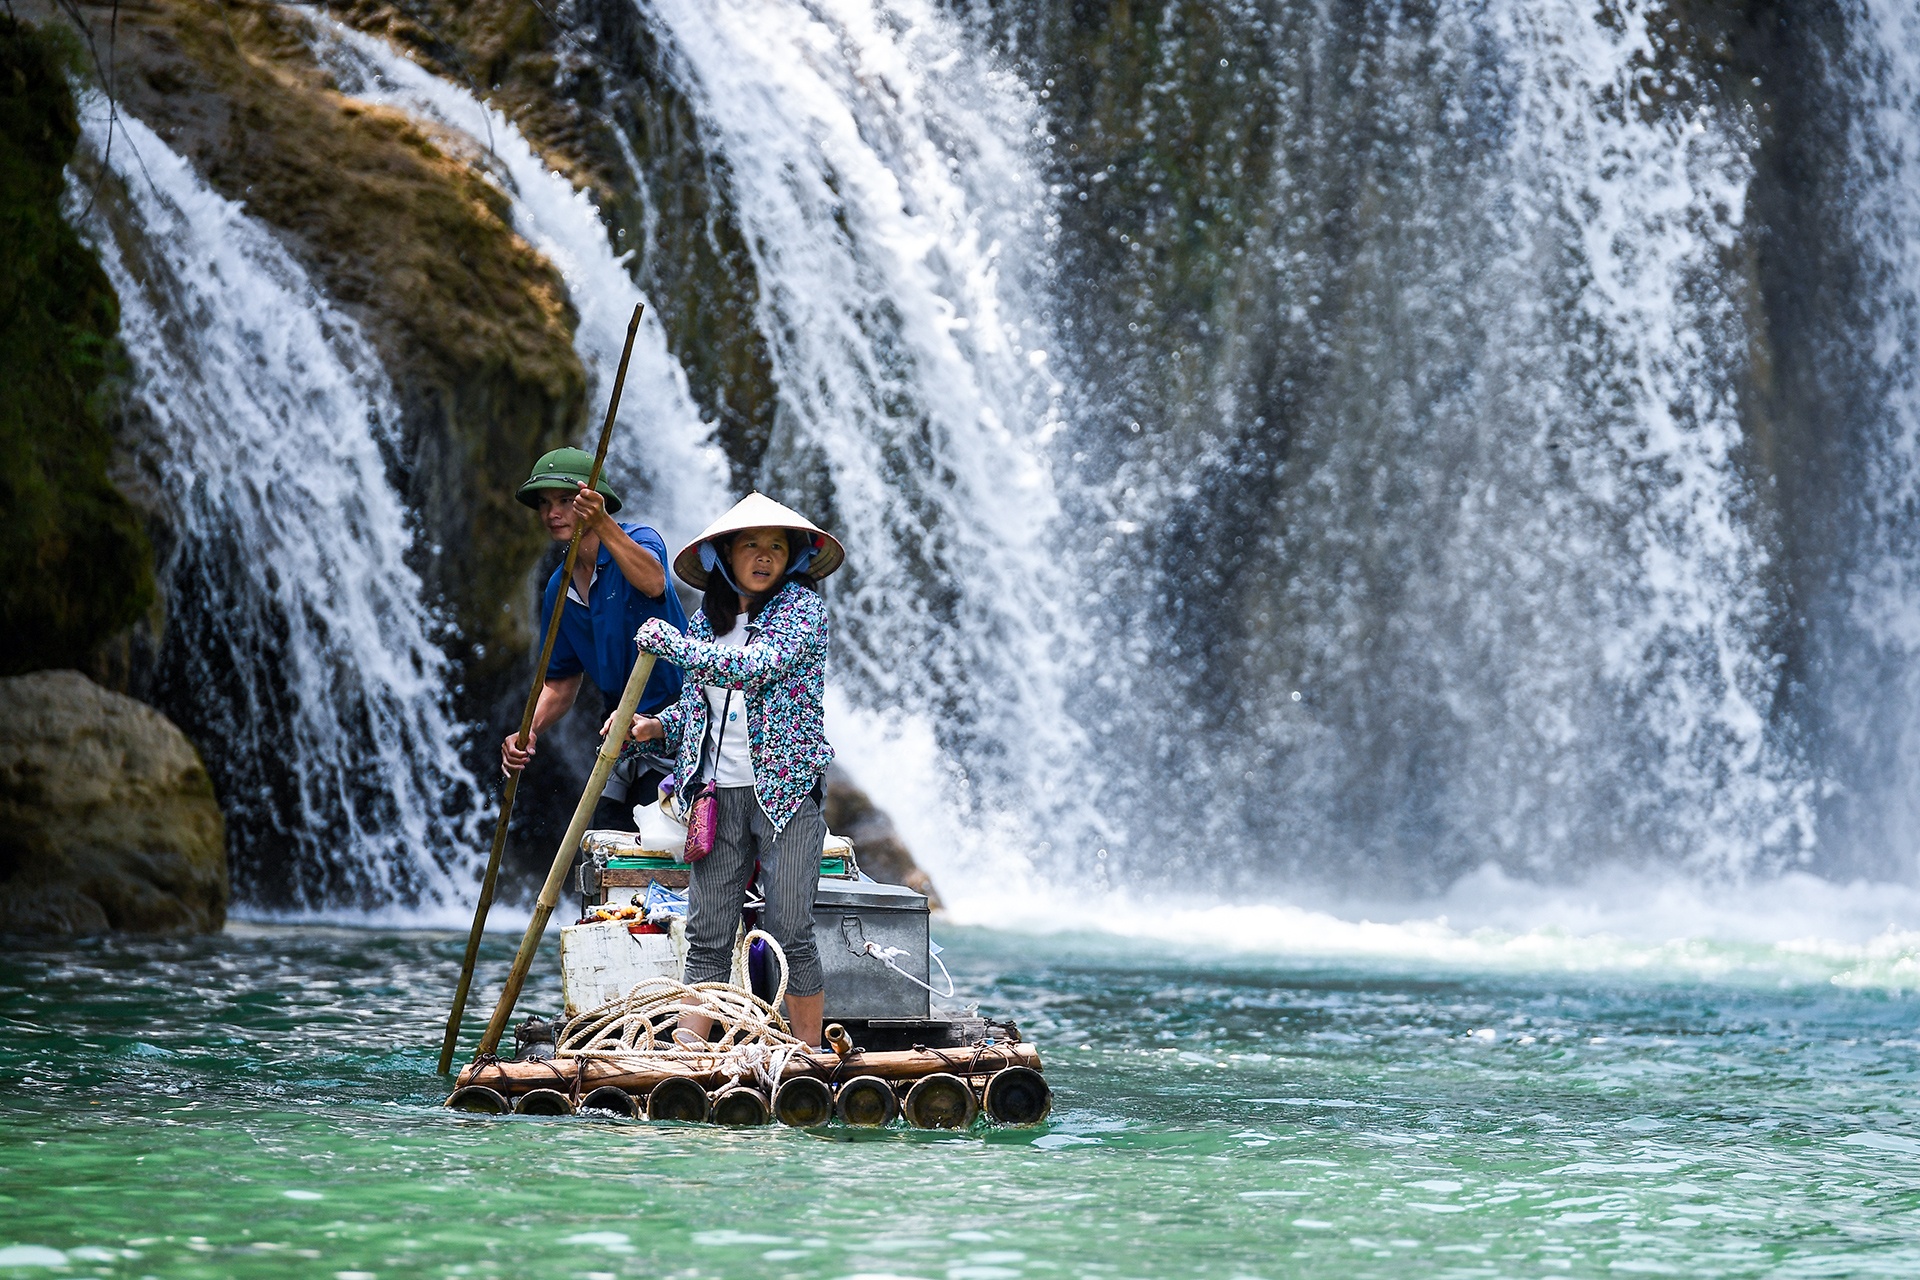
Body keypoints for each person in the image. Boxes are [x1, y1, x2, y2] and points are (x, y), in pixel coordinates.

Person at [619, 492, 844, 1048]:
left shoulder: (801, 611)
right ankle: (690, 1058)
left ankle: (809, 1057)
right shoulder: (706, 623)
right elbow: (701, 707)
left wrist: (672, 646)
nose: (764, 556)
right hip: (714, 795)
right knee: (708, 934)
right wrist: (654, 726)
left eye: (776, 547)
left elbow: (752, 669)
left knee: (790, 931)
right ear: (724, 554)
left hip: (785, 793)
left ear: (792, 558)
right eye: (751, 545)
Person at [500, 447, 686, 829]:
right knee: (601, 840)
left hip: (678, 722)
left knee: (657, 840)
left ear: (593, 502)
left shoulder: (639, 539)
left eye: (565, 501)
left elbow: (654, 582)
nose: (552, 513)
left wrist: (602, 523)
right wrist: (529, 729)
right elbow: (560, 683)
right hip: (618, 730)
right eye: (545, 503)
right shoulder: (559, 588)